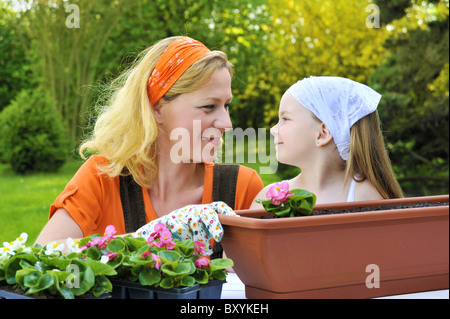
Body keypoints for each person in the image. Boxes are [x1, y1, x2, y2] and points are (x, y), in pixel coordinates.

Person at [36, 36, 263, 245]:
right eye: (208, 106)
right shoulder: (103, 178)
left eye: (226, 106)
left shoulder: (241, 188)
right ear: (156, 108)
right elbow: (41, 257)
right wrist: (152, 237)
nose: (227, 123)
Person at [251, 76, 403, 207]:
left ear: (322, 133)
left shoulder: (364, 197)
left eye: (285, 119)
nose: (273, 129)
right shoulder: (268, 199)